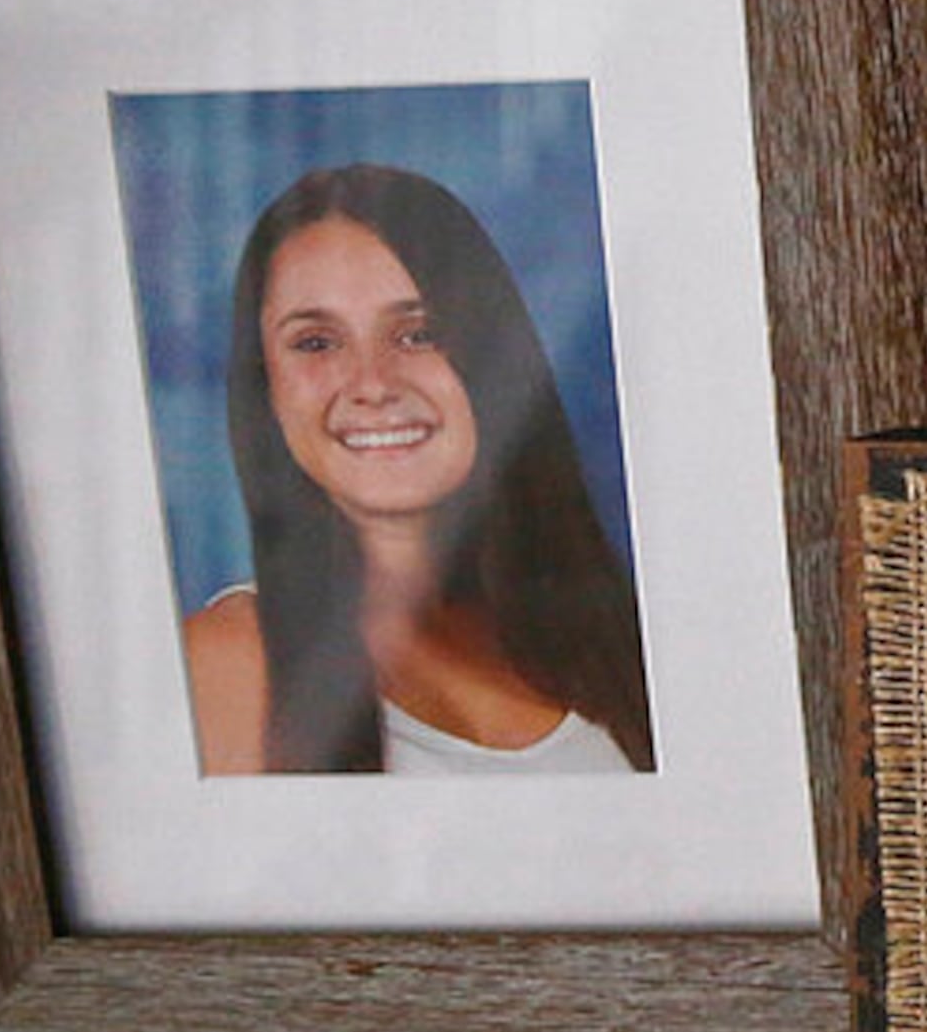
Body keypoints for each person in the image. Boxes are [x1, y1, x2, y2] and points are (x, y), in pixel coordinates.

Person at [177, 162, 654, 776]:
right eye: (316, 343)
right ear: (263, 388)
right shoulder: (226, 667)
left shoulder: (619, 637)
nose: (372, 384)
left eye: (417, 334)